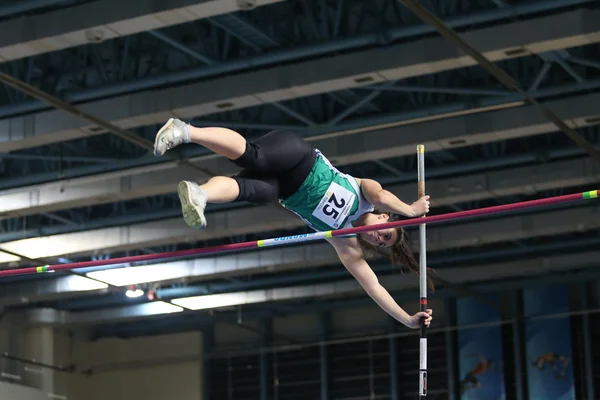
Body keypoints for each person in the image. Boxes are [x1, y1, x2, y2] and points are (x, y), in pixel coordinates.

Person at [153, 118, 433, 329]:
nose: (379, 239)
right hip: (298, 157)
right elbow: (384, 196)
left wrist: (407, 319)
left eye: (383, 243)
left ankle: (200, 194)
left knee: (253, 191)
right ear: (385, 217)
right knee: (255, 156)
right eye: (386, 234)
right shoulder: (368, 194)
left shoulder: (344, 240)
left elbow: (373, 287)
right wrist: (410, 210)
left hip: (283, 188)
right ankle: (185, 130)